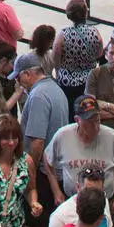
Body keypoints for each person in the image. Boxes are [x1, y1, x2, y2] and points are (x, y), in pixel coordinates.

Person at [15, 52, 71, 211]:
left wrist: (29, 175)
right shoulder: (55, 88)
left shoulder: (38, 96)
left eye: (18, 78)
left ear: (27, 74)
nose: (18, 83)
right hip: (56, 168)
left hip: (43, 173)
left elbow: (37, 142)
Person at [47, 100, 114, 203]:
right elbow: (47, 158)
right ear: (77, 120)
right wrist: (56, 191)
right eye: (90, 122)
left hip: (104, 202)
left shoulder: (112, 137)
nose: (95, 126)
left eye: (97, 119)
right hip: (73, 201)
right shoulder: (63, 136)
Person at [53, 1, 103, 112]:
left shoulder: (63, 34)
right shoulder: (95, 33)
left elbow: (55, 58)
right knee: (86, 112)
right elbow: (99, 54)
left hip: (66, 81)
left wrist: (58, 72)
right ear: (85, 14)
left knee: (68, 112)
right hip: (88, 80)